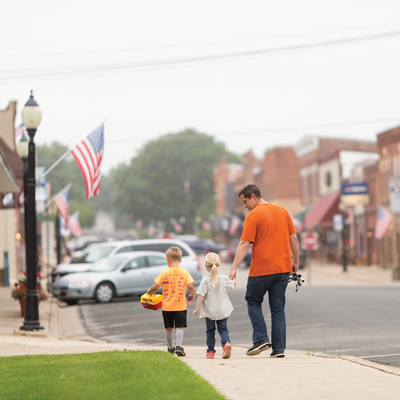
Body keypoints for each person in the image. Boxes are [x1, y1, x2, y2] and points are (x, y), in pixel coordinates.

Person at [229, 184, 299, 358]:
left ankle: (261, 339)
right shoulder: (283, 211)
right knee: (277, 309)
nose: (244, 206)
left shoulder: (253, 216)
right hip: (283, 269)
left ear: (253, 197)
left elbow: (244, 243)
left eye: (245, 201)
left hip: (261, 269)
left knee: (253, 301)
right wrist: (295, 261)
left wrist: (233, 267)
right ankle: (278, 350)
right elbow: (294, 238)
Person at [147, 246, 195, 357]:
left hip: (167, 307)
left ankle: (171, 348)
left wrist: (149, 293)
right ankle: (179, 346)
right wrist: (191, 295)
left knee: (168, 328)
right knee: (179, 327)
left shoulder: (164, 273)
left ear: (168, 260)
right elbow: (191, 285)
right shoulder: (184, 272)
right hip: (180, 306)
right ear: (180, 260)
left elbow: (155, 287)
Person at [193, 252, 236, 359]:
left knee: (210, 331)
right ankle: (226, 344)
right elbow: (232, 285)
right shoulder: (224, 278)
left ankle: (210, 352)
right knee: (223, 329)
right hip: (222, 310)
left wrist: (196, 309)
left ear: (205, 265)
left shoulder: (205, 280)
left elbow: (200, 296)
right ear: (219, 265)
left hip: (210, 312)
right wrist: (234, 279)